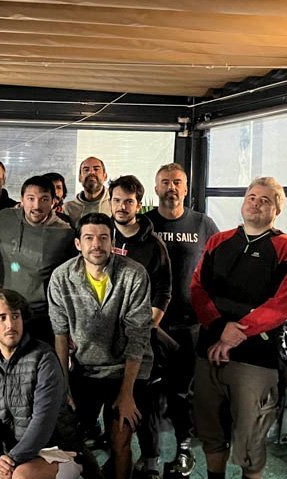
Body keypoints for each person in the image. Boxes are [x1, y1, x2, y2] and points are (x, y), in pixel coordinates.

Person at [191, 177, 287, 479]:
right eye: (251, 197)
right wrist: (219, 327)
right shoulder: (219, 241)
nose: (256, 203)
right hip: (209, 352)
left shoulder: (286, 248)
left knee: (250, 442)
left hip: (256, 360)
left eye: (265, 200)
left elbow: (282, 302)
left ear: (277, 210)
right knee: (210, 432)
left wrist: (236, 333)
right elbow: (198, 288)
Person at [48, 212, 153, 479]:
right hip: (85, 367)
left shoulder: (134, 274)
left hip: (125, 368)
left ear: (112, 242)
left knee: (121, 436)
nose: (96, 244)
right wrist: (64, 387)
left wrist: (127, 394)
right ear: (78, 244)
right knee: (69, 437)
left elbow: (138, 336)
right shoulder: (61, 277)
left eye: (103, 238)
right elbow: (60, 336)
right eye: (89, 238)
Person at [143, 163, 219, 476]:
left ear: (186, 189)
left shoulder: (203, 224)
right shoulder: (145, 223)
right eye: (165, 182)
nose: (171, 187)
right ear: (156, 188)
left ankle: (184, 449)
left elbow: (217, 269)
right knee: (146, 392)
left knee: (180, 393)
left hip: (188, 326)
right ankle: (149, 456)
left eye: (177, 182)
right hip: (149, 324)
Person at [0, 289, 83, 479]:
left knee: (21, 476)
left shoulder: (44, 358)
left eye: (15, 316)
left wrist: (10, 460)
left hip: (58, 451)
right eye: (2, 317)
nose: (10, 324)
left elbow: (43, 423)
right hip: (13, 457)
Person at [108, 175, 172, 478]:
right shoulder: (101, 236)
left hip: (140, 336)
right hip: (105, 340)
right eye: (117, 200)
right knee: (112, 402)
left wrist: (149, 325)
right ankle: (115, 455)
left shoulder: (153, 245)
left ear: (139, 204)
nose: (122, 206)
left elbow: (164, 289)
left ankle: (150, 458)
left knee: (143, 401)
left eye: (128, 201)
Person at [0, 175, 75, 343]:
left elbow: (70, 280)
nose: (36, 206)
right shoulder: (4, 218)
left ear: (53, 202)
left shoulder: (64, 233)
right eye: (30, 199)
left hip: (39, 317)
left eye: (44, 199)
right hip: (2, 311)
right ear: (21, 199)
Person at [63, 157, 110, 227]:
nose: (91, 172)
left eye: (96, 169)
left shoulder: (115, 203)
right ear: (80, 178)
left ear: (105, 176)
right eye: (86, 170)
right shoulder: (68, 209)